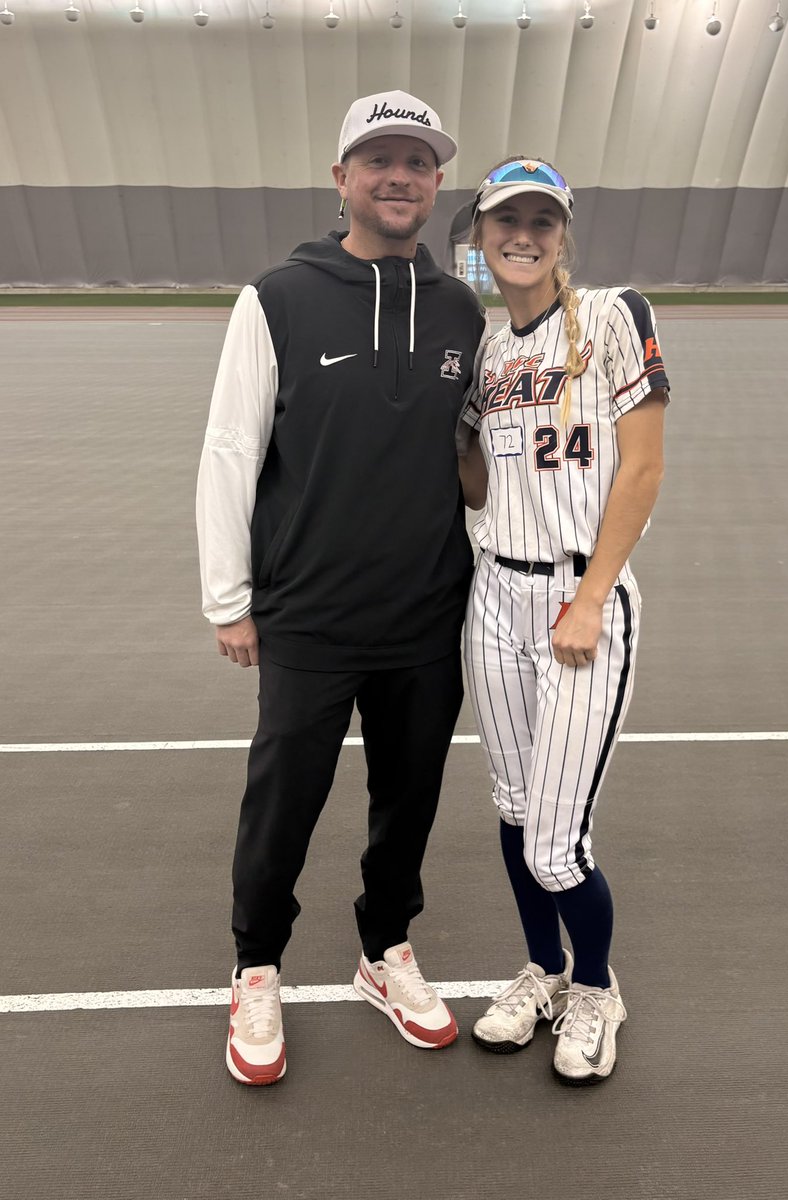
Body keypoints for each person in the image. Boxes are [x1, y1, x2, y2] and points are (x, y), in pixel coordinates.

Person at [196, 91, 486, 1085]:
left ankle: (384, 949)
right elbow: (232, 452)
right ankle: (256, 963)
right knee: (283, 804)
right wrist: (228, 600)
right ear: (342, 179)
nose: (399, 177)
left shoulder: (459, 307)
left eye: (417, 161)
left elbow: (472, 456)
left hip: (425, 617)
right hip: (309, 618)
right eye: (379, 160)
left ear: (437, 181)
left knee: (407, 802)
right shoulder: (277, 296)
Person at [457, 158, 669, 1084]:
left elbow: (644, 467)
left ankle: (596, 987)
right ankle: (541, 970)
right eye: (508, 219)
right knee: (512, 808)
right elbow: (477, 477)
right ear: (480, 234)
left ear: (562, 234)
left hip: (578, 602)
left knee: (555, 841)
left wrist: (591, 598)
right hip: (493, 595)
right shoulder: (490, 353)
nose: (524, 235)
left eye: (543, 220)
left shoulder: (614, 315)